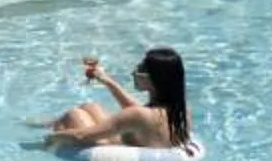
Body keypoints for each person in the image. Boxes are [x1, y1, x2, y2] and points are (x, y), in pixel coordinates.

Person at [48, 47, 190, 150]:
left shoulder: (138, 115)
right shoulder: (181, 111)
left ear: (152, 79)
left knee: (74, 115)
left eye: (139, 69)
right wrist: (106, 80)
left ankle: (46, 127)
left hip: (118, 152)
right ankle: (47, 123)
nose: (133, 72)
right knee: (91, 107)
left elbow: (80, 136)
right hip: (143, 142)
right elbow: (141, 114)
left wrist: (51, 138)